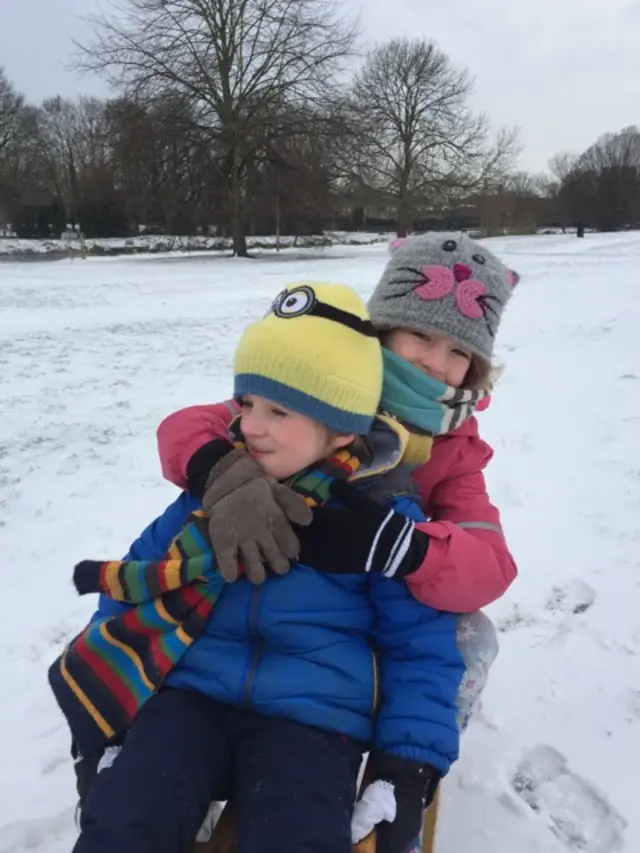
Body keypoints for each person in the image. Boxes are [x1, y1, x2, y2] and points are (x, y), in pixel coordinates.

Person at [49, 282, 464, 853]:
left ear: (342, 428)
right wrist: (112, 729)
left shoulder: (379, 522)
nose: (249, 426)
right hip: (188, 700)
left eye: (279, 411)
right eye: (245, 405)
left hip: (311, 722)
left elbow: (421, 648)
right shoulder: (214, 496)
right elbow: (135, 586)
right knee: (123, 822)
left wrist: (406, 765)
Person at [156, 232, 520, 730]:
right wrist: (221, 471)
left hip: (372, 605)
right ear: (384, 331)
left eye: (459, 352)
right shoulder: (325, 380)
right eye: (422, 336)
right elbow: (192, 425)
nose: (436, 363)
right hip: (277, 588)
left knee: (471, 635)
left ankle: (410, 738)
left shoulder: (454, 445)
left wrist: (407, 550)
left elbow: (489, 563)